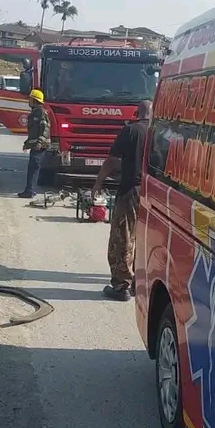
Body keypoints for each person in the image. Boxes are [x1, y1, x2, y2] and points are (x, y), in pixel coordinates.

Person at [91, 99, 152, 301]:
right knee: (144, 238)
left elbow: (112, 160)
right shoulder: (160, 133)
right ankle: (139, 283)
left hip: (130, 191)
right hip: (153, 193)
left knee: (123, 237)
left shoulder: (130, 131)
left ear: (137, 112)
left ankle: (121, 286)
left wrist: (98, 182)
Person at [18, 89, 51, 199]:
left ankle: (29, 191)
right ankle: (30, 190)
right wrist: (27, 144)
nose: (28, 101)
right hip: (35, 145)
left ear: (34, 100)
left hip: (39, 146)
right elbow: (33, 132)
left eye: (30, 99)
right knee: (33, 168)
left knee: (33, 168)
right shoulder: (35, 112)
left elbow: (45, 128)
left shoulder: (40, 112)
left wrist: (40, 141)